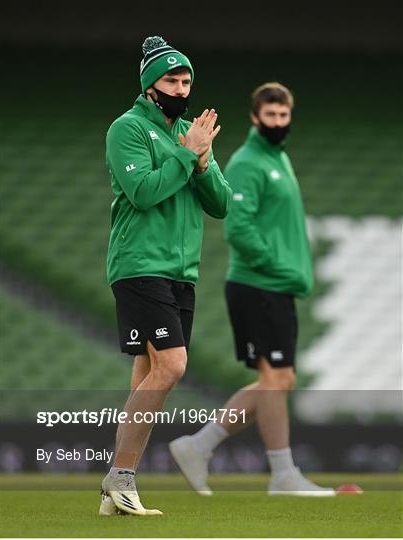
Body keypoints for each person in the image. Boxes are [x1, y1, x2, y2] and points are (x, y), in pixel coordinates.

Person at [169, 82, 335, 497]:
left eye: (283, 116)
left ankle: (198, 445)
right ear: (254, 117)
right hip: (258, 284)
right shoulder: (248, 161)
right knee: (275, 377)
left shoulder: (279, 159)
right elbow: (238, 228)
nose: (278, 122)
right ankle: (282, 474)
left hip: (274, 287)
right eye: (270, 116)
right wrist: (278, 267)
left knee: (280, 379)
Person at [99, 35, 231, 516]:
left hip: (181, 272)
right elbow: (142, 192)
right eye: (171, 79)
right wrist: (184, 154)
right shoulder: (127, 128)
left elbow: (220, 204)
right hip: (140, 265)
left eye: (186, 79)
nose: (181, 87)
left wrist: (200, 161)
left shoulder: (187, 134)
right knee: (172, 366)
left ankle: (119, 485)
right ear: (149, 85)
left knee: (148, 373)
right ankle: (121, 478)